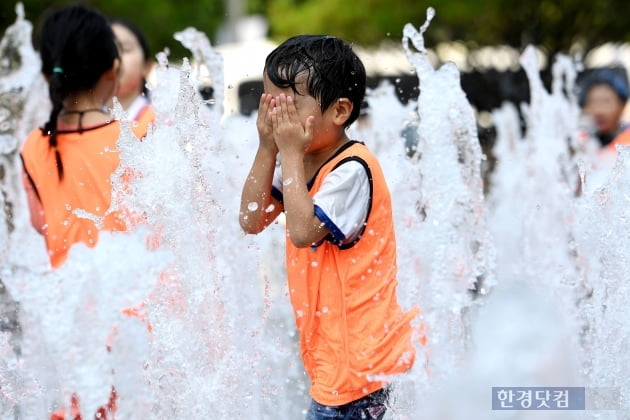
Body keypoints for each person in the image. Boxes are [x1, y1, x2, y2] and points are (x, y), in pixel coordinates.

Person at [239, 35, 418, 420]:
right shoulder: (299, 161)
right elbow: (251, 219)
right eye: (270, 101)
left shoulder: (352, 169)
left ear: (339, 111)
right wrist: (267, 148)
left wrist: (286, 151)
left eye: (289, 103)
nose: (277, 114)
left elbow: (302, 232)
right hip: (334, 358)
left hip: (362, 364)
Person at [21, 4, 152, 269]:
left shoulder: (34, 145)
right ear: (113, 70)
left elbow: (40, 225)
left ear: (47, 77)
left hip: (68, 303)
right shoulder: (139, 137)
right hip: (137, 302)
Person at [110, 18, 154, 126]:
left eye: (124, 49)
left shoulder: (163, 123)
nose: (115, 57)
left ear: (146, 67)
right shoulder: (70, 121)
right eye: (106, 49)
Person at [579, 67, 630, 148]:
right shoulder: (581, 143)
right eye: (592, 102)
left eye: (606, 102)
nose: (599, 111)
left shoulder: (627, 141)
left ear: (622, 105)